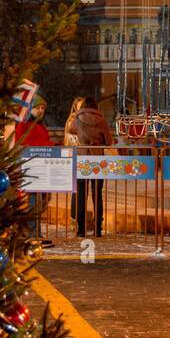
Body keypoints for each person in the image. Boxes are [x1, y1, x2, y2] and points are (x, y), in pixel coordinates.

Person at [69, 96, 113, 238]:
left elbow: (71, 130)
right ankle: (98, 228)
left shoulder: (78, 118)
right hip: (97, 160)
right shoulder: (102, 120)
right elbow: (109, 141)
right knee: (97, 195)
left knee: (81, 195)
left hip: (82, 159)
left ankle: (81, 229)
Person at [15, 98, 55, 244]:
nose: (41, 111)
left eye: (43, 108)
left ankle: (36, 232)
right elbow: (26, 142)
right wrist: (49, 145)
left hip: (41, 167)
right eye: (38, 108)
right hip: (31, 167)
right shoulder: (25, 125)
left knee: (43, 199)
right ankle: (33, 233)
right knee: (34, 201)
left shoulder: (39, 125)